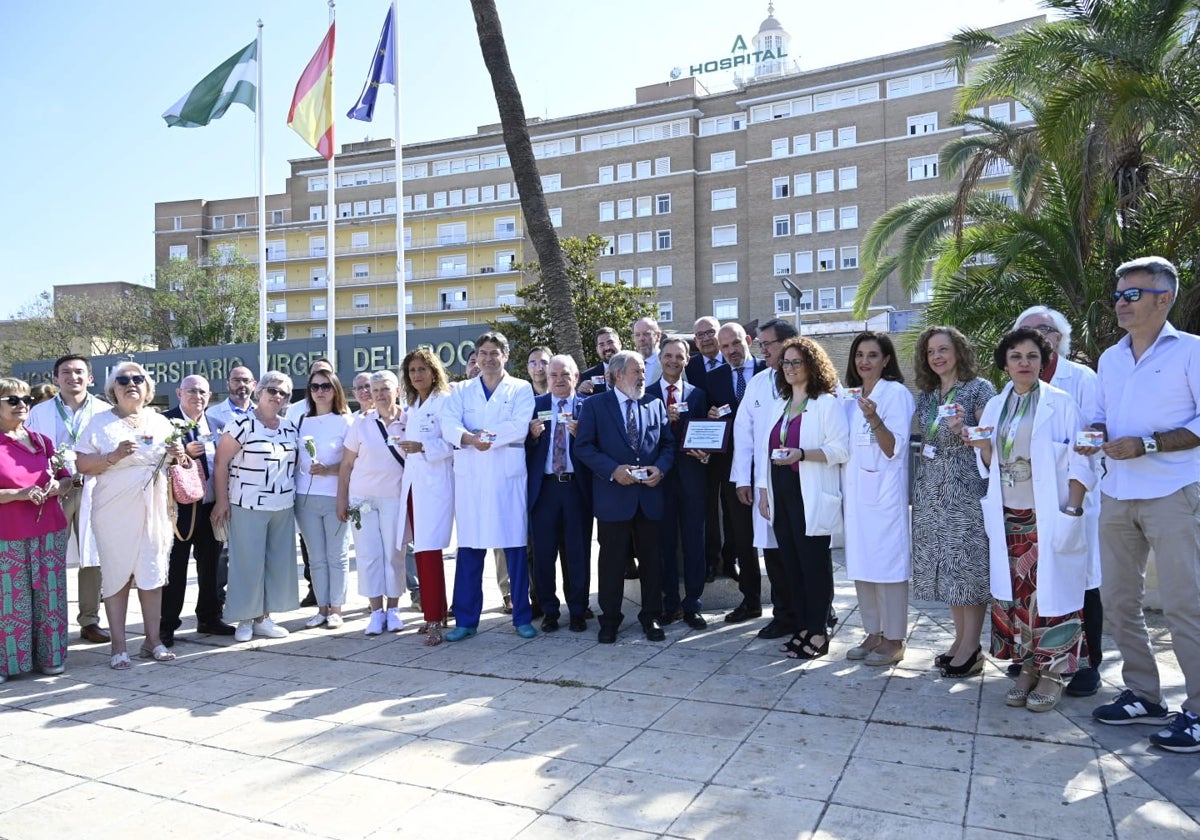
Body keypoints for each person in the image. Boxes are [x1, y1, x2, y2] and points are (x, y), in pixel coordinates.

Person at [1083, 256, 1200, 753]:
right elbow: (1099, 417)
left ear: (1163, 298)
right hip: (1117, 493)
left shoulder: (1191, 351)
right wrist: (1093, 437)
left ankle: (1196, 712)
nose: (1121, 304)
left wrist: (1147, 444)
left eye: (1132, 294)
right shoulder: (1110, 358)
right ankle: (1145, 697)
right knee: (1119, 602)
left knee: (1185, 605)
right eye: (1118, 296)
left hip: (1174, 493)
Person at [963, 327, 1093, 713]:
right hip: (1007, 516)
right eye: (1016, 356)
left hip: (1047, 515)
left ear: (1044, 361)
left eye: (1032, 356)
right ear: (1005, 364)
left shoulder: (1062, 403)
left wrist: (1072, 509)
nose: (1024, 363)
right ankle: (1027, 668)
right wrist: (984, 448)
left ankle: (1053, 673)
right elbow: (987, 465)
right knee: (1018, 599)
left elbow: (1082, 459)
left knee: (1051, 598)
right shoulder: (994, 407)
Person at [1014, 305, 1103, 696]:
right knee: (1033, 583)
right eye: (1028, 331)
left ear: (1059, 338)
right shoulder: (1013, 389)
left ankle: (1087, 665)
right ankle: (1037, 660)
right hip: (1026, 504)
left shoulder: (1080, 378)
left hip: (1071, 500)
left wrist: (1074, 502)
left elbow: (1092, 434)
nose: (1039, 336)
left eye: (1046, 330)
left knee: (1082, 581)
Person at [75, 362, 184, 669]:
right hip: (113, 509)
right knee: (117, 574)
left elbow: (176, 462)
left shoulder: (160, 421)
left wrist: (177, 454)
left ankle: (153, 641)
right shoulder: (100, 422)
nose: (131, 383)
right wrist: (112, 456)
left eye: (138, 379)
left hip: (154, 508)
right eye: (123, 379)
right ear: (113, 389)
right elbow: (82, 464)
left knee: (151, 572)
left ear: (148, 388)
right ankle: (119, 647)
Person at [911, 326, 997, 678]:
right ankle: (960, 641)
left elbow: (991, 440)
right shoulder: (928, 395)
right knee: (947, 570)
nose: (937, 357)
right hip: (933, 489)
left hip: (965, 489)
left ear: (959, 351)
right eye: (931, 352)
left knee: (966, 568)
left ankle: (972, 647)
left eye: (943, 349)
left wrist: (964, 429)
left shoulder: (980, 390)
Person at [440, 331, 537, 640]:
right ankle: (466, 620)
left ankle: (522, 616)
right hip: (472, 476)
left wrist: (485, 438)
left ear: (505, 356)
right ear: (476, 357)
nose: (489, 358)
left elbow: (519, 426)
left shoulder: (520, 388)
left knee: (515, 549)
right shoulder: (461, 390)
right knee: (470, 549)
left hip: (506, 477)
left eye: (495, 352)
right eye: (483, 352)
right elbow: (448, 424)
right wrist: (470, 439)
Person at [756, 338, 849, 660]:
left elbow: (841, 449)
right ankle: (802, 628)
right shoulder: (778, 404)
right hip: (780, 490)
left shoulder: (826, 403)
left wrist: (802, 454)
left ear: (812, 365)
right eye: (786, 363)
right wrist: (764, 492)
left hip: (809, 492)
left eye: (797, 362)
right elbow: (762, 452)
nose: (791, 368)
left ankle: (819, 632)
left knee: (814, 567)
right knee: (791, 565)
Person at [575, 350, 675, 644]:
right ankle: (610, 621)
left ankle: (652, 617)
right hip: (613, 499)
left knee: (652, 563)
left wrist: (661, 468)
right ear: (618, 375)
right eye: (637, 371)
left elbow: (668, 445)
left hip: (649, 498)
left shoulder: (654, 404)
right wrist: (612, 470)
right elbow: (584, 447)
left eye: (643, 370)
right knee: (612, 564)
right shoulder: (595, 405)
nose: (643, 376)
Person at [840, 332, 915, 666]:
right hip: (857, 495)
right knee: (862, 564)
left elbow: (893, 447)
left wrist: (874, 418)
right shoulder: (854, 396)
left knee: (887, 565)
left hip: (883, 496)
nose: (864, 361)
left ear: (886, 360)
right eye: (860, 354)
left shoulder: (895, 394)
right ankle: (872, 632)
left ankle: (894, 638)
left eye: (872, 355)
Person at [25, 354, 109, 644]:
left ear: (90, 378)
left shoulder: (104, 411)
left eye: (79, 372)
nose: (73, 377)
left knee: (92, 556)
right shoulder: (40, 412)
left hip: (92, 488)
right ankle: (51, 621)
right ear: (55, 378)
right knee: (50, 557)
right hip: (55, 492)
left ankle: (89, 620)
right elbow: (32, 452)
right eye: (66, 372)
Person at [211, 371, 299, 643]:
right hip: (247, 504)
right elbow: (220, 463)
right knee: (247, 564)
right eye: (272, 390)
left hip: (282, 505)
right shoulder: (241, 424)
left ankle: (264, 618)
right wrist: (222, 501)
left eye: (283, 392)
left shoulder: (289, 427)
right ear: (259, 391)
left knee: (275, 564)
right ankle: (246, 619)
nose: (277, 396)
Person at [733, 317, 800, 640]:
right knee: (773, 553)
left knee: (805, 550)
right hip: (765, 484)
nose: (763, 350)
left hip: (803, 481)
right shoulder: (759, 383)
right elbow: (743, 433)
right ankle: (784, 614)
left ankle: (818, 611)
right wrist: (741, 480)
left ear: (788, 343)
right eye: (760, 345)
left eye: (767, 344)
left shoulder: (815, 380)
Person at [0, 378, 71, 680]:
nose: (22, 406)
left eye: (26, 400)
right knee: (10, 601)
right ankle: (8, 663)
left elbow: (68, 479)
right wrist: (18, 494)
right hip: (8, 534)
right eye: (13, 400)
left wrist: (58, 487)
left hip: (49, 529)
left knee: (49, 596)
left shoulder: (43, 441)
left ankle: (51, 656)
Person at [161, 375, 235, 646]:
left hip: (211, 506)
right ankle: (166, 625)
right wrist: (180, 455)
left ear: (210, 394)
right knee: (176, 568)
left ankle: (209, 617)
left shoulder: (216, 424)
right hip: (179, 509)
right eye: (191, 390)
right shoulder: (164, 422)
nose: (197, 396)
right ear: (179, 392)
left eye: (202, 391)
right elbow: (153, 459)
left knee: (212, 566)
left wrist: (223, 501)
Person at [337, 371, 408, 636]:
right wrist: (341, 499)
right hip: (362, 498)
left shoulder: (409, 420)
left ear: (397, 390)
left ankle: (394, 609)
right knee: (368, 555)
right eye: (374, 389)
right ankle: (375, 612)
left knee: (394, 553)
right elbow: (346, 464)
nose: (378, 394)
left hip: (395, 496)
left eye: (384, 389)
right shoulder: (361, 423)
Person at [525, 354, 592, 633]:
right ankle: (550, 610)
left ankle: (578, 610)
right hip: (545, 489)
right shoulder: (534, 406)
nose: (559, 380)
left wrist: (583, 435)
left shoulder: (588, 407)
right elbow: (521, 450)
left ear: (575, 377)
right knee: (543, 554)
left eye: (565, 375)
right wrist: (532, 437)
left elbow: (598, 446)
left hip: (576, 488)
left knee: (577, 553)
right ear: (546, 378)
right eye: (553, 375)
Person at [647, 338, 708, 629]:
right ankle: (669, 603)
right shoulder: (646, 396)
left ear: (687, 361)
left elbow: (708, 435)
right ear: (660, 358)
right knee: (665, 544)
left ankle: (692, 604)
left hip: (692, 479)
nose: (673, 361)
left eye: (679, 357)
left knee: (695, 541)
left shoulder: (699, 395)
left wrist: (706, 453)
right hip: (661, 481)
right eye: (668, 355)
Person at [707, 322, 766, 620]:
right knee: (743, 537)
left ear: (749, 340)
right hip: (734, 470)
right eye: (725, 346)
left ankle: (789, 601)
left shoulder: (771, 371)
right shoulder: (713, 379)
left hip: (773, 468)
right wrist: (710, 416)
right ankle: (751, 600)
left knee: (778, 535)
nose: (731, 351)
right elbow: (706, 422)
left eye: (735, 344)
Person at [396, 349, 455, 644]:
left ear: (434, 371)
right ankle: (438, 611)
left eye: (422, 369)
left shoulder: (444, 402)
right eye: (412, 371)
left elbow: (452, 443)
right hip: (414, 486)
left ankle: (433, 619)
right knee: (422, 550)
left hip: (434, 486)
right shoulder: (413, 405)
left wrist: (422, 447)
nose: (417, 375)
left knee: (428, 551)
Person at [294, 369, 353, 630]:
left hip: (334, 496)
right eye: (315, 386)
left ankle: (336, 609)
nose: (320, 391)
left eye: (326, 386)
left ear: (335, 389)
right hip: (305, 497)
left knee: (336, 556)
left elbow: (355, 463)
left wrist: (329, 470)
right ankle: (321, 608)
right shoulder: (300, 421)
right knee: (315, 557)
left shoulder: (345, 422)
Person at [206, 366, 256, 431]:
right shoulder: (211, 414)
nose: (241, 384)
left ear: (254, 385)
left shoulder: (263, 413)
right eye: (236, 380)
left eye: (246, 380)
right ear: (228, 385)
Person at [579, 327, 621, 395]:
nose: (607, 347)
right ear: (597, 349)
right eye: (602, 345)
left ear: (619, 344)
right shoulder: (587, 376)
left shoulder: (634, 369)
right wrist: (581, 394)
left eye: (610, 342)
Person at [685, 315, 724, 386]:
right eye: (700, 334)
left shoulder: (732, 360)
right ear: (695, 341)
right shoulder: (688, 367)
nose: (706, 338)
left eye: (711, 332)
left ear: (720, 335)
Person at [633, 316, 663, 386]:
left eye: (646, 334)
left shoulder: (669, 364)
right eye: (637, 335)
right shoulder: (628, 364)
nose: (641, 339)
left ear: (658, 336)